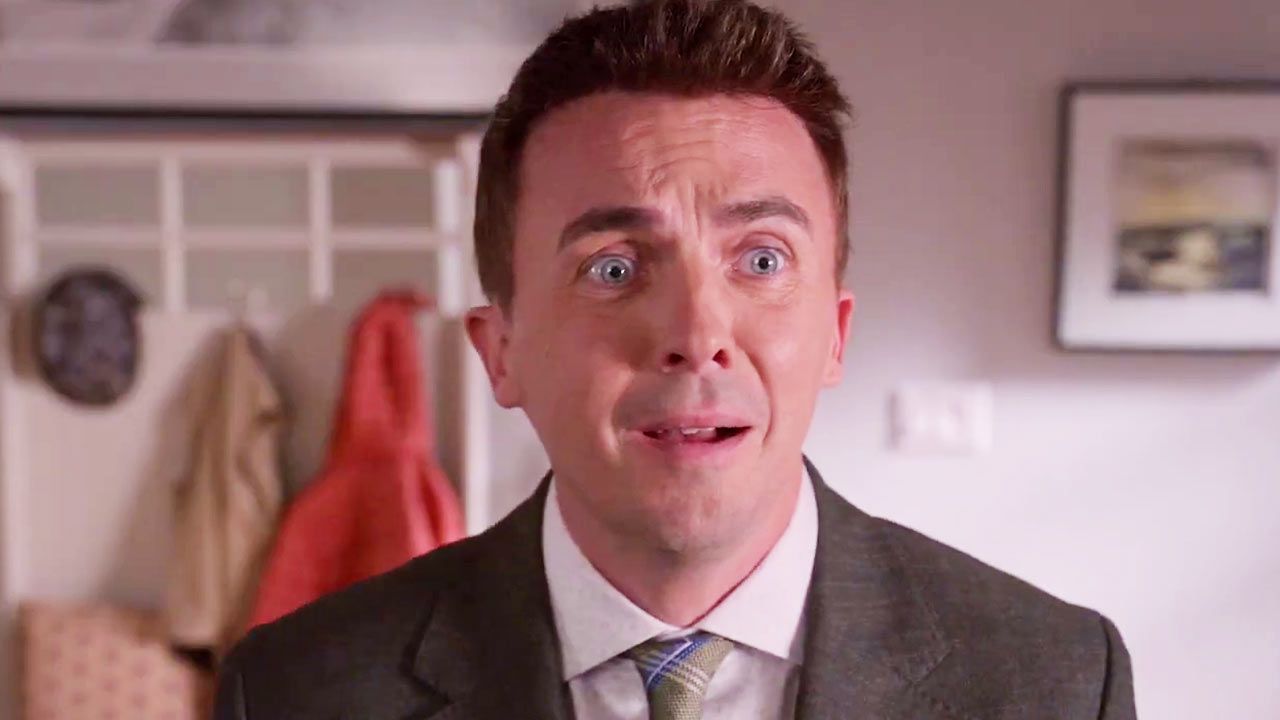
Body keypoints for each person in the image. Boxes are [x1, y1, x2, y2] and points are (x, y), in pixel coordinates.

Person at [214, 1, 1137, 718]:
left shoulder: (1057, 683)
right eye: (613, 268)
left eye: (762, 260)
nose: (697, 333)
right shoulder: (298, 692)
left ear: (836, 334)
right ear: (502, 353)